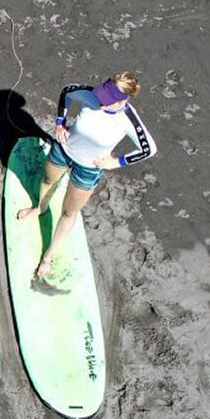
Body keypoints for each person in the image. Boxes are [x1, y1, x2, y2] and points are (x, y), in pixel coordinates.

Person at [18, 71, 157, 277]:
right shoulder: (91, 94)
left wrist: (116, 162)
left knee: (69, 213)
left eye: (106, 101)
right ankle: (40, 208)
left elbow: (148, 149)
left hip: (89, 168)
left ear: (123, 100)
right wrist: (59, 123)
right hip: (63, 150)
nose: (100, 101)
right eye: (101, 95)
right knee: (48, 180)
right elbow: (67, 92)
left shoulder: (128, 120)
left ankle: (48, 257)